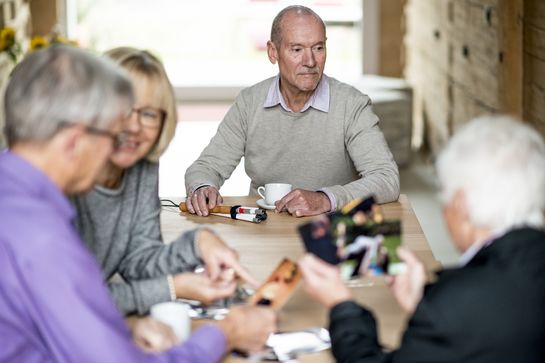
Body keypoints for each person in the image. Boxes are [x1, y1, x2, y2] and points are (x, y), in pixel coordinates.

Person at [0, 45, 276, 362]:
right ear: (75, 141)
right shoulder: (42, 238)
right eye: (108, 132)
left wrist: (121, 331)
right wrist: (225, 335)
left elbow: (44, 321)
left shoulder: (19, 200)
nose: (126, 134)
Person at [298, 115, 545, 362]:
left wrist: (342, 306)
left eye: (444, 195)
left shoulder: (455, 306)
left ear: (461, 203)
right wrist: (422, 299)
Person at [73, 47, 257, 316]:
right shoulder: (61, 177)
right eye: (122, 110)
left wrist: (198, 243)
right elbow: (69, 299)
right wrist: (174, 288)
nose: (134, 127)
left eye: (148, 114)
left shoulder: (141, 164)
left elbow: (138, 261)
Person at [184, 5, 399, 218]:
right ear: (273, 52)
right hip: (263, 228)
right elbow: (206, 167)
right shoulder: (249, 102)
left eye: (318, 48)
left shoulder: (352, 104)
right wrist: (203, 187)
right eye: (297, 49)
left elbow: (386, 178)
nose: (310, 62)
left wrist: (325, 199)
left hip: (330, 228)